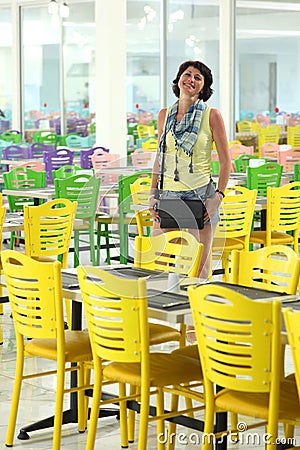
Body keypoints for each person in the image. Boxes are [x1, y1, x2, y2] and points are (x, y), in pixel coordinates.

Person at [149, 60, 231, 279]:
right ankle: (163, 311)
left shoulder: (212, 115)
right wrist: (152, 194)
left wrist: (218, 197)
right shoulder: (164, 115)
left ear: (203, 87)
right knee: (158, 264)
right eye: (188, 74)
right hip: (168, 194)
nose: (191, 80)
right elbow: (160, 157)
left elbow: (225, 162)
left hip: (201, 195)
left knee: (199, 268)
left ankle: (198, 312)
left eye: (198, 78)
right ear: (179, 79)